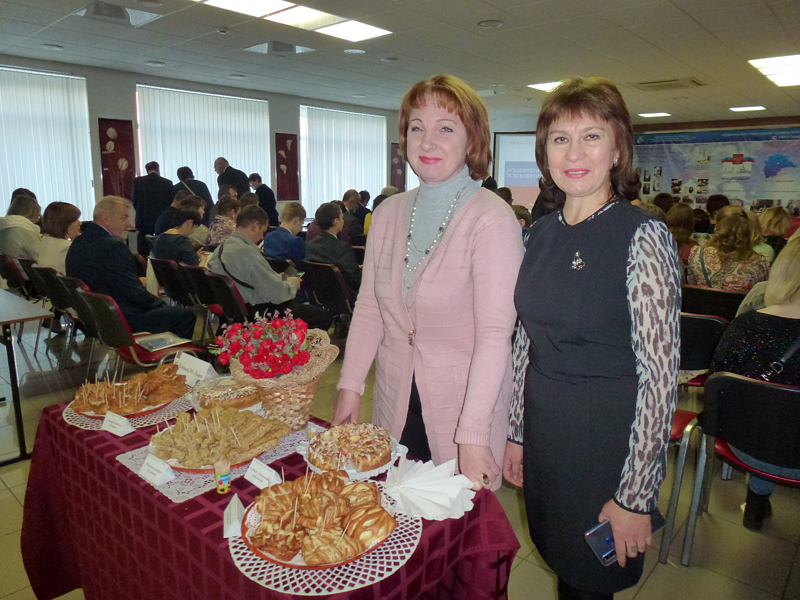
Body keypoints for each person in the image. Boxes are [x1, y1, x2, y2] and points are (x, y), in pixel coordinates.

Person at [504, 77, 680, 599]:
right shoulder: (539, 233)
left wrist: (635, 496)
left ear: (618, 150)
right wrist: (516, 432)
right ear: (545, 153)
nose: (574, 153)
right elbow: (526, 342)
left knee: (589, 582)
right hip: (546, 433)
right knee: (562, 562)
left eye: (592, 136)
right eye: (561, 138)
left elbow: (660, 378)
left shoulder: (643, 235)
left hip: (604, 445)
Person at [332, 74, 523, 493]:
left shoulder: (491, 219)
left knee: (457, 525)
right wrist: (350, 385)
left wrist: (472, 433)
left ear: (472, 139)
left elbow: (495, 335)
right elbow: (370, 308)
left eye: (446, 128)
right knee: (395, 509)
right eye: (416, 127)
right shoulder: (387, 213)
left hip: (463, 409)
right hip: (394, 399)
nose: (427, 141)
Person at [708, 238, 800, 531]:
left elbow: (718, 388)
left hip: (745, 444)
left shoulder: (745, 325)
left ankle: (756, 501)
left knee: (770, 418)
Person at [66, 196, 196, 339]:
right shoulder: (114, 247)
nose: (130, 224)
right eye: (124, 218)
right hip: (119, 319)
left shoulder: (79, 242)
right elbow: (133, 292)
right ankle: (173, 353)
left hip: (92, 316)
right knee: (185, 316)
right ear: (106, 218)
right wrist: (160, 303)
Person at [207, 205, 332, 329]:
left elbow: (248, 279)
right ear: (255, 225)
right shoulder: (247, 252)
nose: (262, 237)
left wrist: (275, 278)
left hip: (239, 310)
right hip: (260, 311)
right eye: (262, 231)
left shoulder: (220, 250)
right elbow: (277, 294)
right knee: (323, 316)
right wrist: (293, 283)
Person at [688, 213, 770, 291]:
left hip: (702, 300)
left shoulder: (698, 254)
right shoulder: (761, 262)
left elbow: (692, 284)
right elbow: (759, 293)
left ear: (718, 231)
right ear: (748, 235)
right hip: (741, 301)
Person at [305, 202, 361, 295]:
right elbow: (355, 281)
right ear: (336, 222)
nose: (343, 221)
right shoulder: (343, 248)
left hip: (319, 295)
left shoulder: (310, 245)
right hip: (344, 297)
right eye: (342, 218)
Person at [131, 161, 174, 256]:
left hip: (143, 219)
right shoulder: (167, 183)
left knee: (143, 247)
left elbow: (134, 201)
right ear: (158, 169)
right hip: (162, 219)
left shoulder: (137, 182)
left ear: (147, 170)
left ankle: (144, 263)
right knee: (162, 247)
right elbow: (171, 203)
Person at [39, 202, 81, 274]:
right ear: (63, 224)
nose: (80, 223)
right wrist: (79, 242)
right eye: (75, 220)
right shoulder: (67, 249)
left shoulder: (44, 242)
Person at [262, 202, 306, 267]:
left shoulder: (268, 237)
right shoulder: (297, 241)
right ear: (297, 220)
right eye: (301, 224)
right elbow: (301, 267)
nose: (300, 229)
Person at [0, 195, 41, 260]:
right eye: (38, 216)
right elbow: (42, 257)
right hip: (26, 266)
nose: (37, 220)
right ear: (31, 214)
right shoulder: (24, 231)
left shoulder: (4, 227)